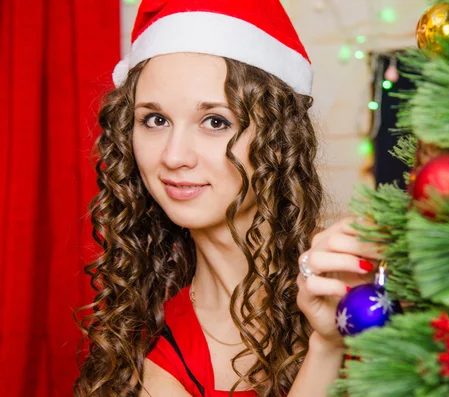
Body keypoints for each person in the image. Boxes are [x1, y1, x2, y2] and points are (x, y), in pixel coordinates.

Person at [74, 0, 381, 396]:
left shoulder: (356, 274)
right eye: (155, 120)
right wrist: (326, 345)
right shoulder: (156, 359)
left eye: (215, 122)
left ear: (276, 138)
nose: (173, 156)